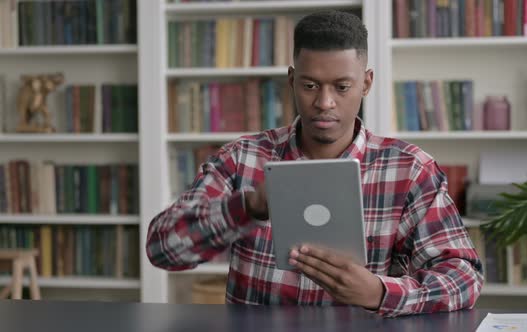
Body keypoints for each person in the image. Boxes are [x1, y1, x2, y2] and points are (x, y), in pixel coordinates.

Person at [146, 10, 483, 317]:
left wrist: (380, 292)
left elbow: (463, 277)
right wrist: (246, 207)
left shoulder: (411, 170)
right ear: (291, 80)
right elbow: (162, 248)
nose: (324, 102)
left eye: (342, 86)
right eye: (309, 86)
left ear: (366, 83)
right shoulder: (241, 159)